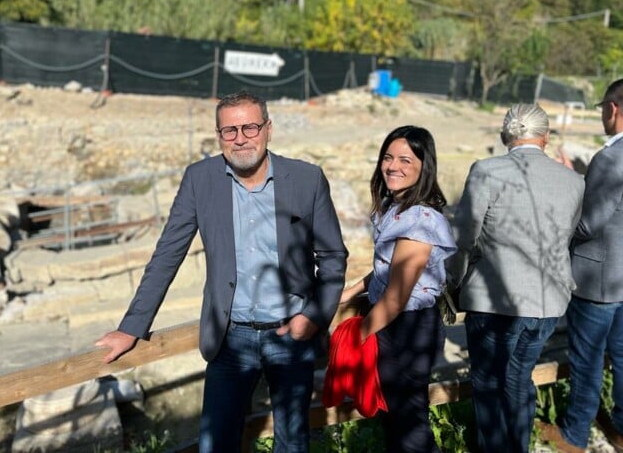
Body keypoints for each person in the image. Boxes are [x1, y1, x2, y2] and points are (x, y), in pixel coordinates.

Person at [95, 90, 348, 453]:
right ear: (218, 136)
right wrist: (131, 327)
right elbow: (168, 253)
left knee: (292, 444)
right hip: (230, 338)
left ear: (268, 130)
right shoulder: (200, 179)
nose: (240, 137)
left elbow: (333, 256)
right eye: (229, 130)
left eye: (249, 127)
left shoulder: (306, 179)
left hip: (291, 335)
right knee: (215, 444)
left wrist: (315, 316)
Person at [449, 103, 584, 453]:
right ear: (546, 137)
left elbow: (464, 237)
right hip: (548, 301)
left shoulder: (486, 170)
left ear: (504, 135)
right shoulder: (572, 180)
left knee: (488, 385)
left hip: (495, 302)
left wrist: (455, 281)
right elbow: (566, 236)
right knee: (518, 378)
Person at [340, 125, 457, 453]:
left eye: (406, 160)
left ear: (424, 166)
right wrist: (352, 291)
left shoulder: (419, 218)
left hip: (407, 329)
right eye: (388, 157)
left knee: (409, 424)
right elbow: (390, 270)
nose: (393, 166)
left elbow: (396, 296)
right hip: (398, 325)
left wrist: (357, 334)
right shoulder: (397, 207)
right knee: (396, 417)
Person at [540, 79, 623, 453]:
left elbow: (589, 224)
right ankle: (620, 426)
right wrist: (577, 176)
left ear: (613, 109)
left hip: (597, 279)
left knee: (586, 359)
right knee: (621, 355)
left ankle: (574, 435)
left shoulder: (610, 157)